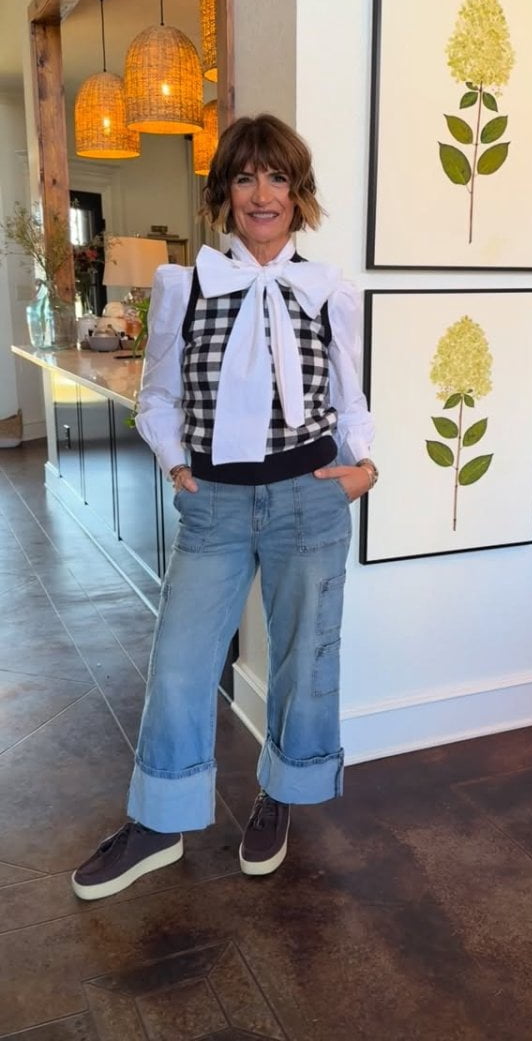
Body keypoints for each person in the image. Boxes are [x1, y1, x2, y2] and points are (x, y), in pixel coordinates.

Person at [71, 113, 377, 901]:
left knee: (305, 658)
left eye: (277, 177)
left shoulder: (328, 290)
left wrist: (364, 468)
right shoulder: (186, 286)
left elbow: (350, 397)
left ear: (298, 193)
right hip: (215, 505)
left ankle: (283, 793)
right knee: (180, 660)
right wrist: (176, 461)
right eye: (245, 177)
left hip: (309, 498)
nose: (261, 194)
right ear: (224, 194)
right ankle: (159, 821)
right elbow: (158, 395)